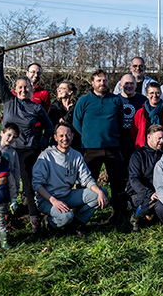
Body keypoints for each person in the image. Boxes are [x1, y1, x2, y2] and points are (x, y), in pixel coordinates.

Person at [0, 51, 54, 234]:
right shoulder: (9, 101)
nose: (23, 90)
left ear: (31, 89)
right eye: (20, 87)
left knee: (28, 185)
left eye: (26, 87)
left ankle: (34, 218)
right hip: (6, 149)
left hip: (28, 150)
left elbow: (49, 128)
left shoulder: (36, 107)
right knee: (2, 181)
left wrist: (42, 141)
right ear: (15, 88)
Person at [72, 69, 127, 223]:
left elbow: (120, 121)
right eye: (98, 80)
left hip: (112, 147)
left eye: (104, 80)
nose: (102, 83)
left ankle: (119, 215)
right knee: (86, 183)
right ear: (92, 83)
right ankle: (81, 217)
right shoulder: (84, 100)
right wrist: (89, 137)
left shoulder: (115, 100)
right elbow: (76, 122)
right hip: (91, 148)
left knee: (117, 183)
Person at [33, 125, 110, 234]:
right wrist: (54, 201)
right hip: (48, 199)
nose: (65, 138)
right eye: (61, 136)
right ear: (55, 137)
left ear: (72, 136)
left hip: (67, 194)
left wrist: (99, 192)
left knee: (101, 193)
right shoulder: (46, 156)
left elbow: (86, 178)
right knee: (66, 216)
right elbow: (37, 184)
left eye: (68, 135)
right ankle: (49, 223)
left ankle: (77, 223)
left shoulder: (76, 155)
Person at [127, 124, 163, 232]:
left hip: (157, 191)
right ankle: (135, 218)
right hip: (139, 192)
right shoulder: (138, 155)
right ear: (149, 137)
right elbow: (134, 179)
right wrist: (149, 193)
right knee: (150, 201)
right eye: (159, 138)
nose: (162, 141)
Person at [133, 81, 163, 148]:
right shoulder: (140, 112)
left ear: (160, 93)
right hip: (145, 149)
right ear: (147, 95)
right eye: (151, 93)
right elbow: (134, 132)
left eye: (157, 93)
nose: (154, 95)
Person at [117, 73, 145, 166]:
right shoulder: (115, 100)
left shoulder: (143, 100)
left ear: (136, 85)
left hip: (137, 140)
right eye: (126, 83)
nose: (129, 86)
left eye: (132, 83)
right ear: (120, 85)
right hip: (119, 141)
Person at [48, 81, 79, 149]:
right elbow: (52, 125)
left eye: (62, 88)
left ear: (70, 92)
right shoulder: (54, 107)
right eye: (58, 88)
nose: (59, 90)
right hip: (59, 142)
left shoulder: (77, 105)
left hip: (75, 141)